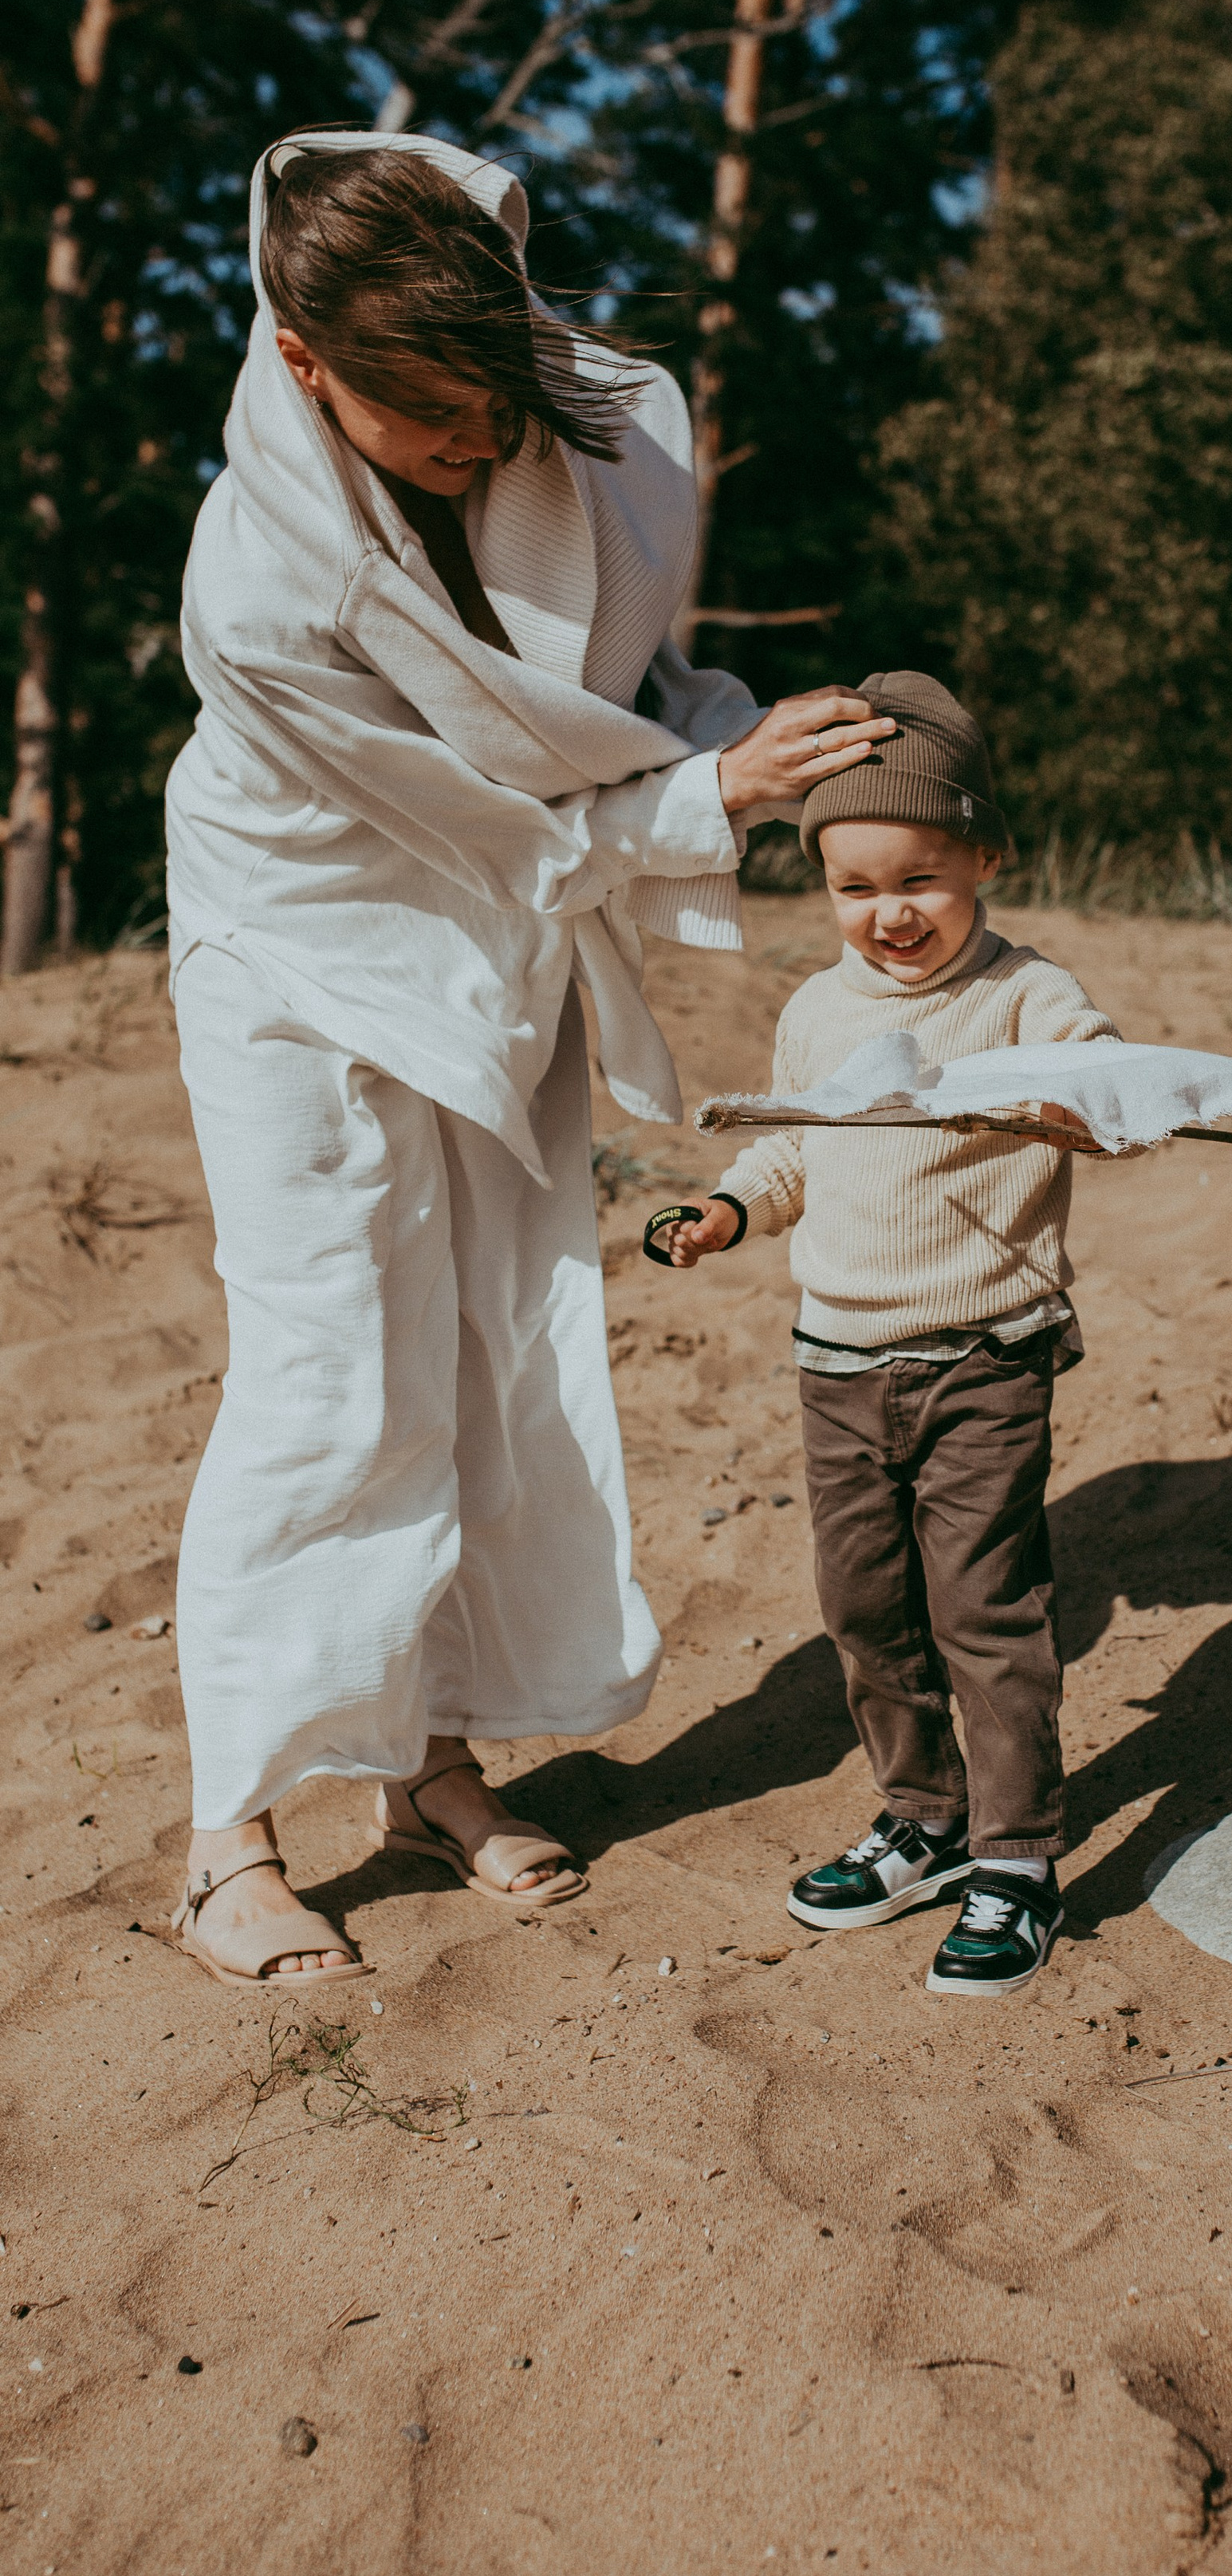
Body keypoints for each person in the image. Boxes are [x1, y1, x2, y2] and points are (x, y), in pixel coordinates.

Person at [165, 128, 890, 1988]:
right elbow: (502, 821)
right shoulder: (256, 593)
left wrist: (770, 750)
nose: (481, 449)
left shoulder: (606, 422)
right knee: (332, 1362)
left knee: (492, 1342)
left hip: (502, 943)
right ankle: (225, 1830)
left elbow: (615, 702)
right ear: (307, 366)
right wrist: (707, 801)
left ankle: (429, 1767)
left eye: (498, 403)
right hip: (305, 944)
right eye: (430, 425)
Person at [651, 673, 1118, 1998]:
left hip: (984, 1354)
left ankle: (1017, 1855)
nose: (891, 913)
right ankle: (924, 1818)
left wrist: (1072, 1101)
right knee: (865, 1609)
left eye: (922, 878)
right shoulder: (818, 1009)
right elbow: (798, 1151)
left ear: (985, 858)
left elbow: (1103, 1079)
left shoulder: (1029, 997)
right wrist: (727, 1210)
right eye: (856, 887)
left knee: (985, 1608)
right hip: (838, 1361)